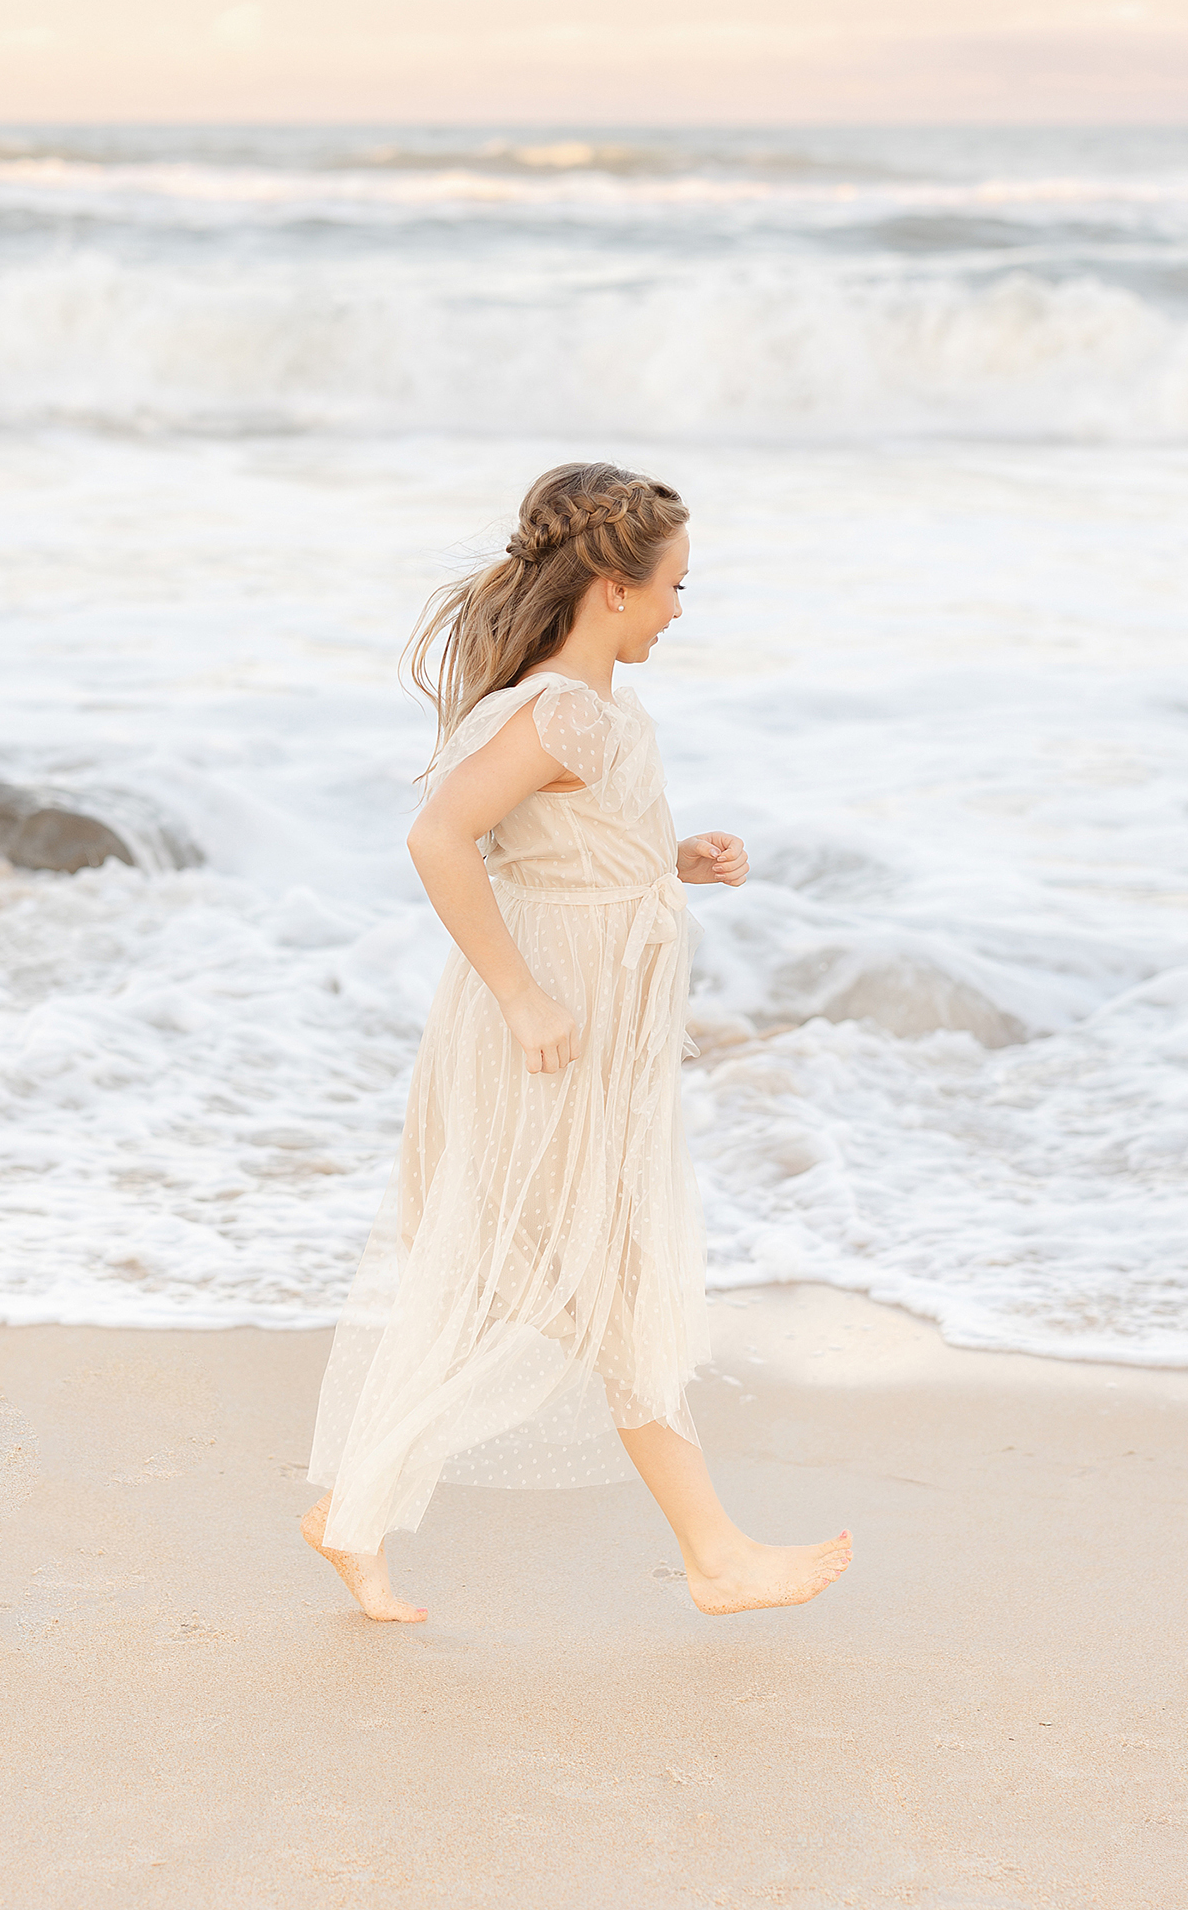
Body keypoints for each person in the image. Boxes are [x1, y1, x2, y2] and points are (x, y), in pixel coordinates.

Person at [302, 462, 854, 1621]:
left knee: (571, 1275)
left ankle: (354, 1504)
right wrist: (521, 995)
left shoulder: (597, 712)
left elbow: (565, 854)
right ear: (612, 586)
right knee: (596, 1278)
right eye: (674, 587)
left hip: (593, 1030)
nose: (678, 610)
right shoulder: (559, 706)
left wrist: (671, 862)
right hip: (547, 1031)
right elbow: (440, 838)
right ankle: (714, 1554)